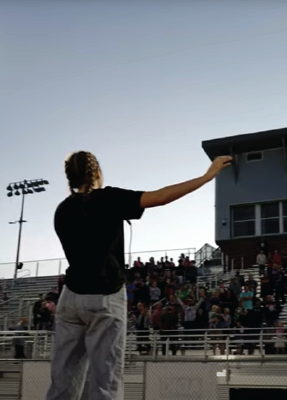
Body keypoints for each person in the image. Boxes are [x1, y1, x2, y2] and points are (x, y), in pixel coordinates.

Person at [46, 151, 232, 400]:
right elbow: (162, 197)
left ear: (70, 177)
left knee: (63, 381)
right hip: (104, 296)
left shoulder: (62, 210)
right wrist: (207, 176)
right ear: (97, 172)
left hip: (70, 297)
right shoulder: (108, 197)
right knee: (105, 381)